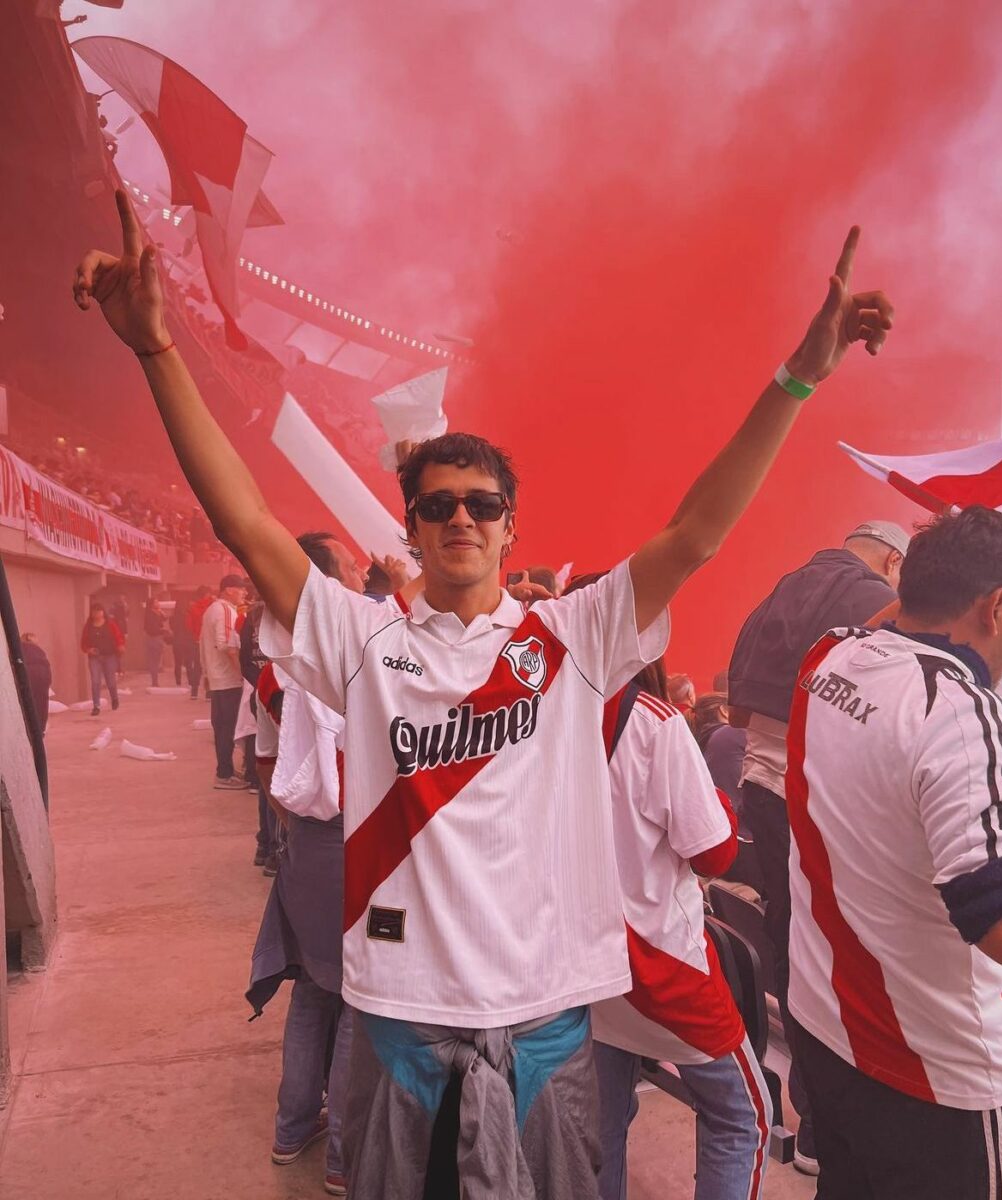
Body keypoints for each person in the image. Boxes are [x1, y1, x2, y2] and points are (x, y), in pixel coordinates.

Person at [74, 191, 892, 1196]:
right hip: (394, 1012)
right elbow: (245, 525)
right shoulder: (361, 639)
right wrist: (156, 351)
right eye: (438, 506)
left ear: (509, 529)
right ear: (410, 532)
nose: (461, 517)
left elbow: (696, 533)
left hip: (547, 1020)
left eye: (482, 505)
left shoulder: (573, 638)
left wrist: (797, 375)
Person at [785, 506, 1002, 1199]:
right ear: (997, 608)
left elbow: (888, 624)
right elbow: (994, 921)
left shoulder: (830, 656)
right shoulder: (961, 713)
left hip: (829, 1027)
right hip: (939, 1070)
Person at [565, 575, 772, 1200]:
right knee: (746, 1117)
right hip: (662, 964)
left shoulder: (541, 714)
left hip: (581, 957)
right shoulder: (656, 724)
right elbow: (714, 851)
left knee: (599, 1124)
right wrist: (715, 805)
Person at [726, 517, 907, 1173]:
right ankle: (835, 1128)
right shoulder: (872, 601)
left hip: (764, 790)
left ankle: (811, 1121)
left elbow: (736, 711)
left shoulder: (774, 595)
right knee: (845, 954)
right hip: (827, 798)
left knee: (792, 941)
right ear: (893, 562)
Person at [247, 531, 396, 1198]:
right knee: (359, 1000)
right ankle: (343, 1156)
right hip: (351, 841)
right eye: (343, 562)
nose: (356, 569)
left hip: (304, 844)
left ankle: (292, 1125)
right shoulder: (347, 656)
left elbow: (264, 759)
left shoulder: (274, 666)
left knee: (313, 987)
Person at [199, 573, 248, 789]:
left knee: (221, 728)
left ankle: (225, 770)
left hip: (217, 679)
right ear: (229, 589)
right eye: (241, 588)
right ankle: (225, 774)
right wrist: (244, 674)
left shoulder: (211, 610)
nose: (245, 593)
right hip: (228, 680)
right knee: (228, 728)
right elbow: (227, 646)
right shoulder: (226, 610)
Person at [80, 602, 124, 716]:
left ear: (103, 612)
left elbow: (118, 636)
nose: (97, 614)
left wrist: (120, 646)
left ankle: (114, 698)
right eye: (94, 612)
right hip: (95, 658)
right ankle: (96, 706)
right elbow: (83, 643)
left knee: (111, 681)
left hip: (110, 656)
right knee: (95, 681)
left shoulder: (110, 624)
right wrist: (88, 650)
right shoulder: (88, 626)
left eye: (99, 611)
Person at [171, 590, 201, 697]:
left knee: (178, 663)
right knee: (191, 662)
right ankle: (191, 681)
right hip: (188, 641)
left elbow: (172, 628)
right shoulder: (188, 614)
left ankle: (178, 681)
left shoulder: (173, 616)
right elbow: (190, 628)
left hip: (177, 641)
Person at [21, 632, 52, 734]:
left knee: (27, 703)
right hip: (42, 677)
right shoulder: (40, 652)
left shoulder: (18, 650)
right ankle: (40, 728)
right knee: (42, 704)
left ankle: (29, 728)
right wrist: (48, 682)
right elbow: (47, 667)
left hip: (27, 676)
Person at [143, 596, 169, 687]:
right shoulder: (150, 614)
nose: (158, 603)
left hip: (158, 638)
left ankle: (155, 680)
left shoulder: (157, 612)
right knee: (154, 660)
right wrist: (162, 630)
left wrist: (161, 611)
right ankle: (154, 681)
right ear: (151, 604)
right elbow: (151, 629)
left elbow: (165, 618)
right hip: (153, 638)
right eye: (156, 602)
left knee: (157, 660)